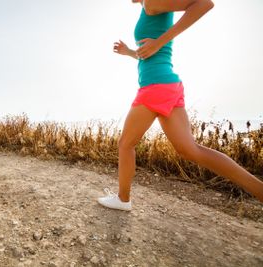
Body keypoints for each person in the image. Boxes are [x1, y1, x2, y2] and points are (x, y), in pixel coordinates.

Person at [97, 0, 263, 211]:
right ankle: (260, 190)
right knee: (190, 150)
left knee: (125, 144)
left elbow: (204, 4)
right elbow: (147, 53)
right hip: (168, 86)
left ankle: (123, 199)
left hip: (154, 87)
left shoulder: (151, 3)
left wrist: (159, 42)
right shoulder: (148, 8)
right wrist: (130, 51)